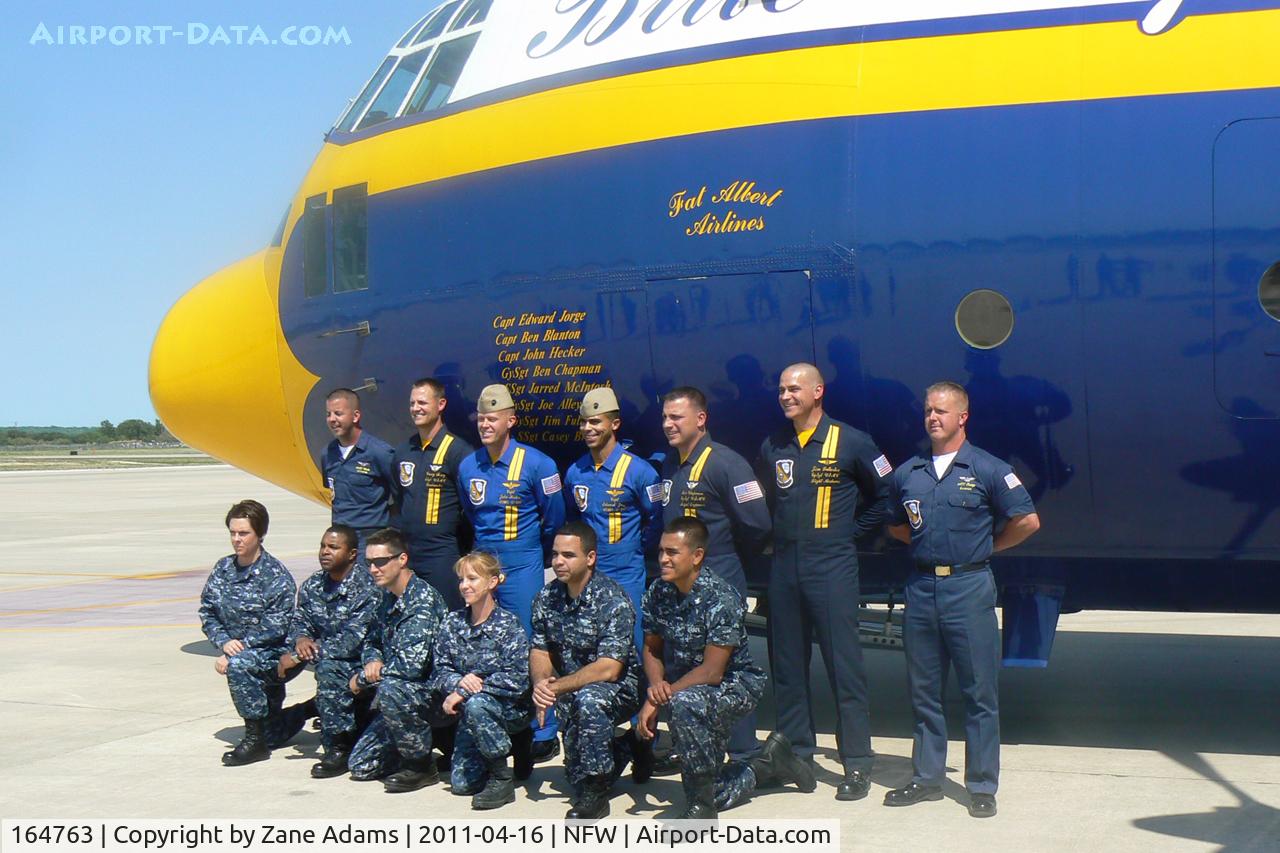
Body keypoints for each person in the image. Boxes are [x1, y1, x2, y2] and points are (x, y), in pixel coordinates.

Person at [883, 381, 1040, 819]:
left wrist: (988, 548)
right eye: (928, 411)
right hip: (922, 588)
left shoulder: (988, 468)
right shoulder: (908, 473)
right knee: (924, 692)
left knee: (979, 693)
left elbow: (1027, 520)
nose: (933, 417)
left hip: (968, 590)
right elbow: (896, 525)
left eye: (942, 411)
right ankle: (927, 777)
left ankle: (981, 783)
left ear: (962, 417)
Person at [758, 362, 893, 800]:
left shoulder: (852, 440)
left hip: (832, 567)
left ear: (819, 392)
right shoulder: (773, 445)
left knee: (843, 666)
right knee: (788, 666)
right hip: (785, 569)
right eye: (781, 389)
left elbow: (886, 496)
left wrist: (848, 535)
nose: (786, 396)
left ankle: (856, 762)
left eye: (794, 388)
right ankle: (796, 754)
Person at [638, 518, 812, 819]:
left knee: (683, 705)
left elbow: (712, 672)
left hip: (734, 685)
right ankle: (767, 764)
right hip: (690, 687)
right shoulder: (658, 592)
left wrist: (658, 699)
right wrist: (655, 686)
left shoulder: (721, 597)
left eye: (672, 552)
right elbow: (652, 647)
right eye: (661, 551)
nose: (663, 559)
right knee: (714, 782)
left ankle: (701, 810)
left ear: (697, 556)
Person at [657, 386, 771, 763]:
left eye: (677, 417)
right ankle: (695, 747)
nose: (668, 424)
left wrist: (726, 563)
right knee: (685, 665)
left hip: (719, 578)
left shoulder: (727, 464)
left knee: (727, 668)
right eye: (665, 418)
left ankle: (743, 753)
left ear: (701, 419)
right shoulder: (671, 465)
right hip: (680, 586)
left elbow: (757, 525)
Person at [457, 383, 566, 758]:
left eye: (493, 418)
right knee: (486, 642)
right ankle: (496, 719)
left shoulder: (539, 465)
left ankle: (544, 729)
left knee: (531, 644)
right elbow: (473, 514)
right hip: (485, 563)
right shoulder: (469, 465)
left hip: (522, 564)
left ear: (511, 420)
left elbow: (554, 518)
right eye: (481, 418)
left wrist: (530, 552)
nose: (485, 425)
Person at [531, 522, 644, 819]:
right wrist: (542, 685)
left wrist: (556, 688)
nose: (558, 561)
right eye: (555, 554)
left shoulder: (612, 599)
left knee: (590, 700)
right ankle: (632, 746)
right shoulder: (547, 597)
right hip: (571, 689)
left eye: (568, 555)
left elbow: (609, 668)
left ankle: (597, 793)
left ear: (590, 558)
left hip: (619, 689)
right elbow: (541, 649)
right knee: (574, 778)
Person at [198, 500, 307, 766]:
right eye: (233, 533)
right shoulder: (223, 569)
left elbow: (277, 625)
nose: (237, 539)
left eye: (243, 533)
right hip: (242, 650)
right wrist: (224, 642)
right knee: (274, 732)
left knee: (240, 665)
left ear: (260, 534)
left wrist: (238, 649)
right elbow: (207, 612)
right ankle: (303, 711)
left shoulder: (275, 575)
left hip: (276, 654)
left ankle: (253, 741)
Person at [346, 528, 454, 793]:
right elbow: (371, 640)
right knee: (361, 766)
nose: (373, 569)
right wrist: (372, 661)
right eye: (369, 562)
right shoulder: (386, 597)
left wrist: (362, 678)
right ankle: (427, 739)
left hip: (430, 694)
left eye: (380, 562)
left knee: (393, 688)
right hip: (402, 693)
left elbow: (411, 668)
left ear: (402, 560)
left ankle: (419, 765)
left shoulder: (421, 602)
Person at [430, 552, 534, 810]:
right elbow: (439, 669)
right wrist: (461, 682)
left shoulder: (509, 626)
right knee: (462, 785)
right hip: (472, 710)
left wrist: (468, 690)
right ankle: (503, 746)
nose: (465, 585)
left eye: (473, 578)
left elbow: (518, 678)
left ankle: (502, 776)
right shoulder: (452, 623)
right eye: (462, 579)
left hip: (508, 708)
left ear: (492, 582)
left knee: (478, 703)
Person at [564, 387, 662, 651]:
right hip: (589, 574)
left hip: (626, 572)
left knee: (632, 643)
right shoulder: (575, 472)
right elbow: (573, 517)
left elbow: (655, 519)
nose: (587, 428)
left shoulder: (641, 472)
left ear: (614, 424)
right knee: (590, 643)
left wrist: (635, 547)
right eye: (583, 422)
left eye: (595, 421)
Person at [278, 525, 380, 779]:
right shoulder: (314, 584)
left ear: (352, 554)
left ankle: (339, 746)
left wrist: (298, 656)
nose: (325, 552)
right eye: (323, 546)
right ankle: (267, 726)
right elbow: (300, 620)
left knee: (330, 669)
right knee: (269, 662)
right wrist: (301, 638)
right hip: (327, 656)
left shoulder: (368, 587)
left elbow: (351, 641)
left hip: (364, 661)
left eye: (333, 547)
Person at [393, 377, 474, 610]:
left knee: (447, 616)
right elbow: (399, 499)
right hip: (409, 553)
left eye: (422, 403)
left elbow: (470, 506)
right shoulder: (403, 452)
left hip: (442, 554)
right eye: (412, 403)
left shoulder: (459, 451)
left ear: (440, 405)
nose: (416, 409)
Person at [321, 388, 396, 557]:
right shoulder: (328, 454)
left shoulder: (379, 452)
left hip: (369, 541)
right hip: (340, 541)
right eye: (328, 414)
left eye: (338, 414)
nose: (332, 419)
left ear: (355, 416)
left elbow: (402, 494)